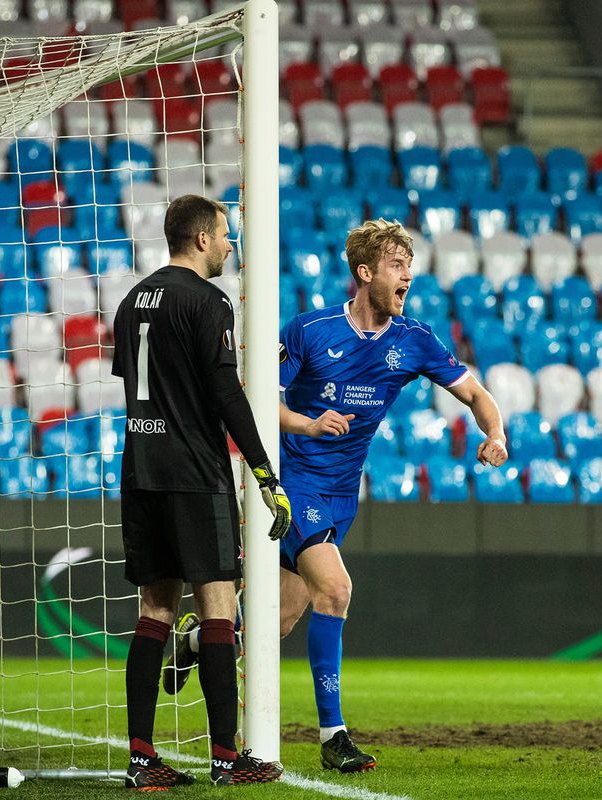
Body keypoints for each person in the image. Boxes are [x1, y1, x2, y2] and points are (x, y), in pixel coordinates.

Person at [162, 218, 508, 773]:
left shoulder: (414, 340)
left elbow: (475, 393)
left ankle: (198, 639)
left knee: (273, 623)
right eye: (397, 267)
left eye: (410, 267)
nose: (408, 278)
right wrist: (307, 424)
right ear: (364, 273)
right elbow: (256, 402)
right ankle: (333, 736)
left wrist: (494, 433)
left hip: (342, 494)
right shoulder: (310, 330)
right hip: (292, 483)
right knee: (338, 589)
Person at [111, 194, 290, 789]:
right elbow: (225, 394)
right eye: (225, 234)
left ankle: (141, 759)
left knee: (154, 612)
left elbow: (137, 388)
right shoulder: (209, 301)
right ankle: (224, 757)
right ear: (201, 239)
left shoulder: (132, 299)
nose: (231, 243)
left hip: (140, 471)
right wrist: (265, 474)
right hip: (195, 474)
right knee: (219, 609)